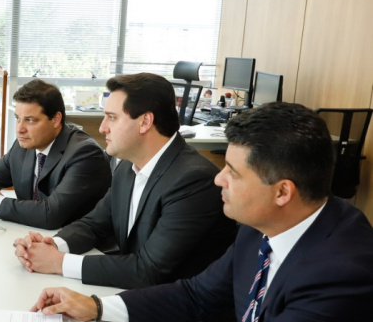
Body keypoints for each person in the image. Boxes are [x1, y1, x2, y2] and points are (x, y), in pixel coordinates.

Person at [24, 102, 373, 322]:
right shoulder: (262, 224)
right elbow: (196, 294)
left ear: (282, 192)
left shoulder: (343, 270)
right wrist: (96, 306)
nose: (218, 177)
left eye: (233, 173)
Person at [14, 73, 236, 291]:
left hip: (187, 320)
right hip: (139, 300)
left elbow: (148, 270)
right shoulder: (127, 168)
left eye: (112, 117)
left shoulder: (192, 180)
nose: (102, 128)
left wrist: (58, 262)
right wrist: (52, 245)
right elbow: (94, 225)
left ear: (145, 122)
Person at [0, 79, 111, 229]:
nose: (20, 129)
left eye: (30, 120)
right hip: (31, 236)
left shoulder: (85, 154)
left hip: (79, 247)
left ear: (55, 119)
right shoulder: (23, 146)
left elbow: (50, 215)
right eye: (17, 119)